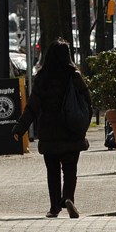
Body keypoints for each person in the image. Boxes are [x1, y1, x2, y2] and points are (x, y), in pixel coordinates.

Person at [11, 38, 91, 219]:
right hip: (71, 130)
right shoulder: (74, 76)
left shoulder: (43, 78)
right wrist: (83, 126)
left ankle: (55, 207)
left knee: (52, 171)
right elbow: (87, 102)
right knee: (70, 168)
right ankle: (69, 198)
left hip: (49, 131)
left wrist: (19, 128)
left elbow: (32, 107)